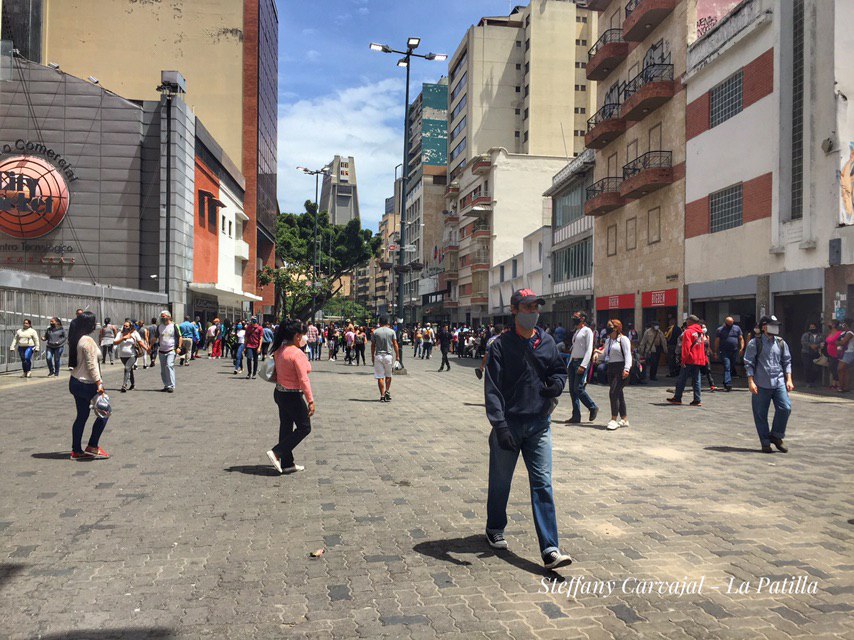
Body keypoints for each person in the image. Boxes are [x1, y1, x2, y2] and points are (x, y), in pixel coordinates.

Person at [483, 289, 572, 570]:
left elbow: (559, 370)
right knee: (501, 482)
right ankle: (495, 527)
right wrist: (500, 426)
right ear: (514, 310)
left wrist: (557, 384)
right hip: (508, 425)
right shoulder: (499, 346)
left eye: (536, 306)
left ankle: (550, 548)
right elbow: (493, 390)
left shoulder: (547, 342)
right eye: (527, 306)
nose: (533, 311)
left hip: (539, 425)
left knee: (543, 484)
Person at [265, 320, 314, 474]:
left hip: (280, 393)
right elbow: (303, 379)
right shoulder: (296, 353)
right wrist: (310, 400)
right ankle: (277, 452)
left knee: (286, 427)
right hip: (292, 395)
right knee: (304, 427)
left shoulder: (279, 350)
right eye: (303, 335)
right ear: (297, 336)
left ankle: (288, 463)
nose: (304, 338)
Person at [743, 315, 794, 453]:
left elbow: (787, 361)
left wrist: (789, 379)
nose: (776, 328)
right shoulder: (755, 343)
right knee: (760, 414)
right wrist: (751, 382)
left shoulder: (781, 343)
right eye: (773, 325)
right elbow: (749, 363)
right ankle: (765, 442)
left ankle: (776, 436)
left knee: (785, 408)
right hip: (761, 383)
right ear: (764, 327)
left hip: (778, 382)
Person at [67, 311, 110, 460]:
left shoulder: (76, 339)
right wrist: (99, 384)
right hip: (88, 383)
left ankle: (76, 449)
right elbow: (92, 365)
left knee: (82, 416)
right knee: (104, 412)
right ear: (90, 324)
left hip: (75, 382)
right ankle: (92, 445)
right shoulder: (88, 341)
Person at [593, 319, 632, 430]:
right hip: (611, 368)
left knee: (613, 392)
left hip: (621, 368)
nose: (607, 328)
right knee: (619, 393)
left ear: (616, 327)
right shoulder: (608, 340)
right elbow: (605, 354)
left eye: (610, 326)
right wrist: (596, 353)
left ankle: (613, 419)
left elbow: (628, 355)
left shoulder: (623, 340)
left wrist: (627, 369)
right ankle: (624, 419)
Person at [566, 311, 598, 424]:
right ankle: (576, 415)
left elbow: (589, 349)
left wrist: (583, 365)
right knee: (572, 390)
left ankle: (592, 406)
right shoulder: (577, 331)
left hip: (581, 362)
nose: (574, 319)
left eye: (576, 317)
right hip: (573, 361)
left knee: (578, 388)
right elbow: (574, 349)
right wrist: (569, 363)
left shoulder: (587, 331)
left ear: (583, 318)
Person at [667, 315, 707, 406]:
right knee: (697, 380)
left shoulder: (688, 332)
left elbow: (686, 347)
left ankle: (677, 398)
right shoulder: (700, 332)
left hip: (689, 359)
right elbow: (702, 346)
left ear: (690, 321)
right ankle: (697, 399)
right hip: (698, 359)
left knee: (681, 379)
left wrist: (683, 360)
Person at [371, 316, 399, 403]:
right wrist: (397, 355)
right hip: (388, 356)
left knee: (380, 376)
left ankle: (382, 395)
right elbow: (395, 344)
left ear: (379, 322)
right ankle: (387, 391)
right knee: (388, 375)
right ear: (387, 322)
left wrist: (372, 356)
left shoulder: (375, 332)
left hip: (378, 356)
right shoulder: (392, 332)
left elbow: (373, 345)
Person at [114, 320, 148, 392]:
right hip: (123, 356)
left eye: (127, 326)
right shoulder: (120, 333)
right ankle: (132, 384)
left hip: (132, 355)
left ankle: (124, 385)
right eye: (124, 325)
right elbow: (115, 342)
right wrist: (123, 338)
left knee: (127, 368)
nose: (125, 327)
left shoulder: (135, 333)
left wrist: (147, 349)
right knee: (129, 369)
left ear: (130, 327)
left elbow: (140, 342)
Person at [714, 317, 745, 392]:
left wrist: (742, 348)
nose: (730, 325)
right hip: (724, 351)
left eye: (731, 323)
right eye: (729, 323)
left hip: (734, 351)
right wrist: (715, 351)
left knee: (731, 366)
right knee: (727, 366)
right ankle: (728, 383)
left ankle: (726, 381)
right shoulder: (720, 330)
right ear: (725, 322)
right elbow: (717, 341)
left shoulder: (737, 328)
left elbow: (741, 338)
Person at [156, 310, 178, 392]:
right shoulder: (159, 326)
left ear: (169, 316)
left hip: (171, 350)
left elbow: (179, 337)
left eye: (164, 316)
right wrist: (149, 346)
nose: (162, 317)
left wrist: (178, 347)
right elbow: (156, 336)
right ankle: (166, 385)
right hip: (162, 350)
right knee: (163, 370)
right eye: (161, 316)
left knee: (169, 366)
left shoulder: (174, 326)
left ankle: (171, 385)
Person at [800, 321, 823, 387]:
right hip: (806, 353)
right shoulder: (806, 335)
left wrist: (817, 346)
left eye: (813, 327)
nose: (812, 328)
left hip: (816, 353)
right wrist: (811, 345)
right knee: (807, 367)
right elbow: (803, 342)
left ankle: (813, 381)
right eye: (811, 327)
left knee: (816, 368)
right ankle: (808, 381)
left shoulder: (820, 335)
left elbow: (822, 343)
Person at [824, 321, 843, 389]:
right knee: (832, 368)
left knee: (833, 367)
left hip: (836, 353)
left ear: (834, 325)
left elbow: (839, 342)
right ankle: (834, 383)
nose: (829, 325)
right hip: (830, 353)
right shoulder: (830, 333)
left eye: (831, 324)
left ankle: (837, 383)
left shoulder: (839, 333)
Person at [836, 320, 854, 393]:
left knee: (840, 368)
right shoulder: (843, 333)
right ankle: (844, 387)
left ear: (846, 324)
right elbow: (836, 341)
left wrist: (838, 343)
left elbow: (842, 342)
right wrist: (838, 342)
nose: (842, 326)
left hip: (849, 352)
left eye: (843, 324)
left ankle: (842, 386)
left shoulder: (850, 333)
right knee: (844, 370)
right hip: (842, 353)